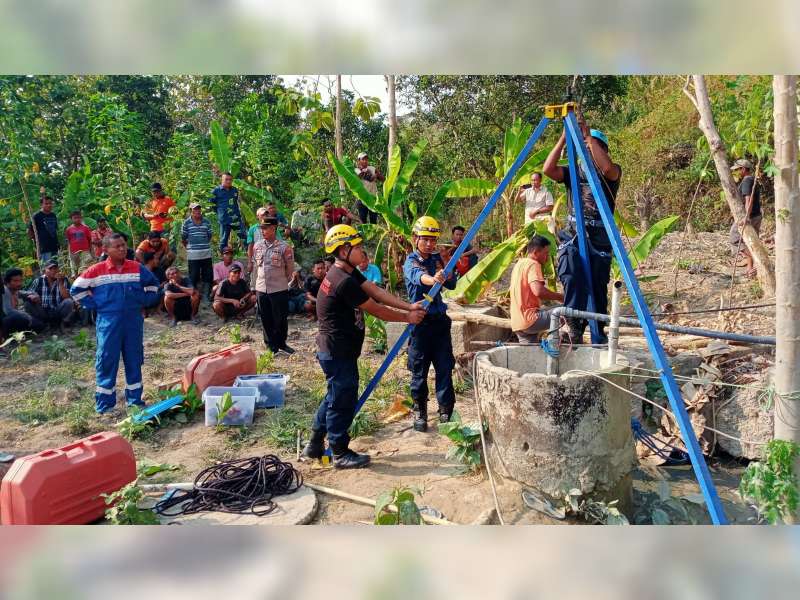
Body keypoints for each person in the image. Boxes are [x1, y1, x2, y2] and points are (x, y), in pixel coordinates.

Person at [300, 224, 426, 468]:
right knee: (342, 400)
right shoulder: (341, 281)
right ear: (344, 249)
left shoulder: (347, 272)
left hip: (339, 350)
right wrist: (407, 318)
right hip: (337, 351)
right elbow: (376, 309)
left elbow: (375, 291)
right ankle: (339, 452)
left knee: (334, 395)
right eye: (357, 246)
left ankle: (315, 443)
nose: (362, 250)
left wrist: (408, 306)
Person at [542, 120, 621, 344]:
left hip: (599, 236)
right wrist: (563, 140)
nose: (587, 151)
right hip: (574, 232)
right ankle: (574, 322)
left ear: (603, 150)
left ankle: (597, 330)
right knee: (571, 271)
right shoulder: (573, 173)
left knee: (597, 286)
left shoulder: (611, 173)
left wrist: (588, 139)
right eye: (585, 147)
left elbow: (606, 168)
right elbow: (548, 169)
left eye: (593, 148)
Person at [71, 233, 160, 414]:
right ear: (106, 249)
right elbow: (76, 289)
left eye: (123, 245)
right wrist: (96, 304)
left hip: (133, 321)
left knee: (134, 358)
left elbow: (154, 286)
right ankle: (105, 404)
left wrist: (143, 300)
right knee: (106, 360)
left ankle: (135, 401)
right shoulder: (97, 270)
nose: (121, 249)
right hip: (108, 322)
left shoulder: (136, 268)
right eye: (116, 246)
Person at [402, 216, 458, 432]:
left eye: (433, 240)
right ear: (415, 238)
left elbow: (451, 284)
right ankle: (420, 412)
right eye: (425, 239)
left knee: (444, 367)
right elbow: (419, 277)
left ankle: (446, 410)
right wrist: (433, 279)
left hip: (440, 323)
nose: (429, 244)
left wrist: (447, 271)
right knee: (419, 370)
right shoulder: (411, 261)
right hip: (420, 324)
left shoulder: (437, 258)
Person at [252, 218, 295, 354]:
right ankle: (270, 345)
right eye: (262, 228)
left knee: (281, 318)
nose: (262, 231)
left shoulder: (284, 247)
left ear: (273, 229)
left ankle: (281, 343)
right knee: (265, 317)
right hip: (261, 288)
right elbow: (255, 267)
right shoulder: (257, 246)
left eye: (265, 228)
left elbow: (290, 269)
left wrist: (282, 280)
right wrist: (253, 286)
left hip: (278, 288)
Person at [510, 236, 564, 343]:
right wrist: (561, 297)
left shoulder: (519, 264)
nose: (547, 257)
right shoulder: (533, 264)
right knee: (568, 310)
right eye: (546, 253)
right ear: (536, 252)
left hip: (517, 323)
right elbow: (538, 291)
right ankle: (566, 339)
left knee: (529, 356)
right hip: (530, 319)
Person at [729, 158, 762, 278]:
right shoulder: (752, 179)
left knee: (734, 238)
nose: (736, 172)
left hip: (750, 216)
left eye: (737, 169)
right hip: (756, 214)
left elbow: (749, 199)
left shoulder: (748, 180)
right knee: (750, 242)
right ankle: (750, 270)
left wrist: (746, 217)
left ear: (743, 169)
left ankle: (756, 259)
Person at [25, 260, 78, 333]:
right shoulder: (38, 280)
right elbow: (27, 293)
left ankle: (62, 323)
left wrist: (60, 283)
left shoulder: (63, 280)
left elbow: (67, 298)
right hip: (42, 311)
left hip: (57, 310)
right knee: (28, 303)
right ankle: (41, 325)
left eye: (55, 268)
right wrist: (33, 296)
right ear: (45, 271)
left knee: (69, 302)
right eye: (50, 269)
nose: (54, 271)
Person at [181, 202, 214, 301]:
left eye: (199, 210)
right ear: (191, 211)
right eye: (195, 210)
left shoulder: (207, 222)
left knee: (207, 274)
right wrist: (190, 247)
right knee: (193, 274)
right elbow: (183, 238)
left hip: (206, 252)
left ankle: (206, 295)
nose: (198, 212)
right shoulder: (186, 223)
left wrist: (203, 244)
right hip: (193, 254)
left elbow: (209, 235)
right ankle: (194, 295)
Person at [210, 172, 246, 253]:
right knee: (223, 240)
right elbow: (211, 204)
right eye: (226, 179)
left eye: (230, 180)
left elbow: (236, 202)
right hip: (224, 220)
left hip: (235, 219)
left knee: (244, 236)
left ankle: (251, 255)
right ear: (222, 180)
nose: (228, 181)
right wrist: (220, 212)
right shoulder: (216, 191)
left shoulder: (234, 190)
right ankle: (224, 258)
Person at [2, 268, 46, 334]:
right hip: (5, 322)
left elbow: (29, 293)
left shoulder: (15, 291)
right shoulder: (4, 291)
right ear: (7, 282)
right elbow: (8, 311)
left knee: (39, 325)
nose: (19, 283)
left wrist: (35, 296)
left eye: (20, 280)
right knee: (17, 317)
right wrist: (27, 316)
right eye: (15, 281)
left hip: (11, 320)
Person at [28, 189, 59, 264]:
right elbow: (30, 231)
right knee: (47, 268)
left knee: (55, 267)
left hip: (54, 246)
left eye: (50, 203)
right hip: (43, 248)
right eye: (46, 203)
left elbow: (55, 230)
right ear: (41, 205)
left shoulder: (53, 215)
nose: (49, 205)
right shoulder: (36, 216)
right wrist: (37, 243)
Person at [354, 152, 384, 224]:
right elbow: (368, 178)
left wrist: (377, 174)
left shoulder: (372, 168)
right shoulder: (356, 170)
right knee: (363, 220)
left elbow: (383, 179)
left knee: (373, 220)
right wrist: (373, 175)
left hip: (373, 198)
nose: (365, 161)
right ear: (359, 161)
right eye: (363, 159)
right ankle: (363, 235)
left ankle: (374, 235)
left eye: (366, 159)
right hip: (362, 199)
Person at [64, 210, 93, 276]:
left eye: (79, 217)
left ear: (81, 218)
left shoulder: (86, 228)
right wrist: (70, 252)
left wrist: (90, 251)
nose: (77, 219)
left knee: (85, 268)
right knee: (75, 268)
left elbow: (89, 240)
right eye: (75, 218)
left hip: (85, 251)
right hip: (74, 252)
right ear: (71, 219)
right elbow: (69, 241)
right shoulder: (69, 229)